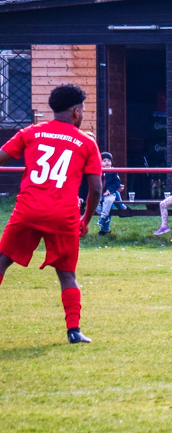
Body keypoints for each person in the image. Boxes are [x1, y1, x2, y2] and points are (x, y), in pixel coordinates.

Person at [0, 84, 102, 343]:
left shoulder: (30, 132)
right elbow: (96, 189)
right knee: (67, 273)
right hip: (63, 215)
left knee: (2, 261)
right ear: (76, 112)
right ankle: (74, 331)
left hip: (28, 210)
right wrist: (85, 220)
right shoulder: (86, 141)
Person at [94, 152, 122, 234]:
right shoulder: (97, 171)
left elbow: (117, 182)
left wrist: (109, 190)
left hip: (110, 193)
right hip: (99, 193)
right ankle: (105, 218)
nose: (107, 162)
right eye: (104, 161)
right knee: (95, 203)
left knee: (108, 202)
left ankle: (103, 218)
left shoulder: (113, 171)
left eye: (109, 161)